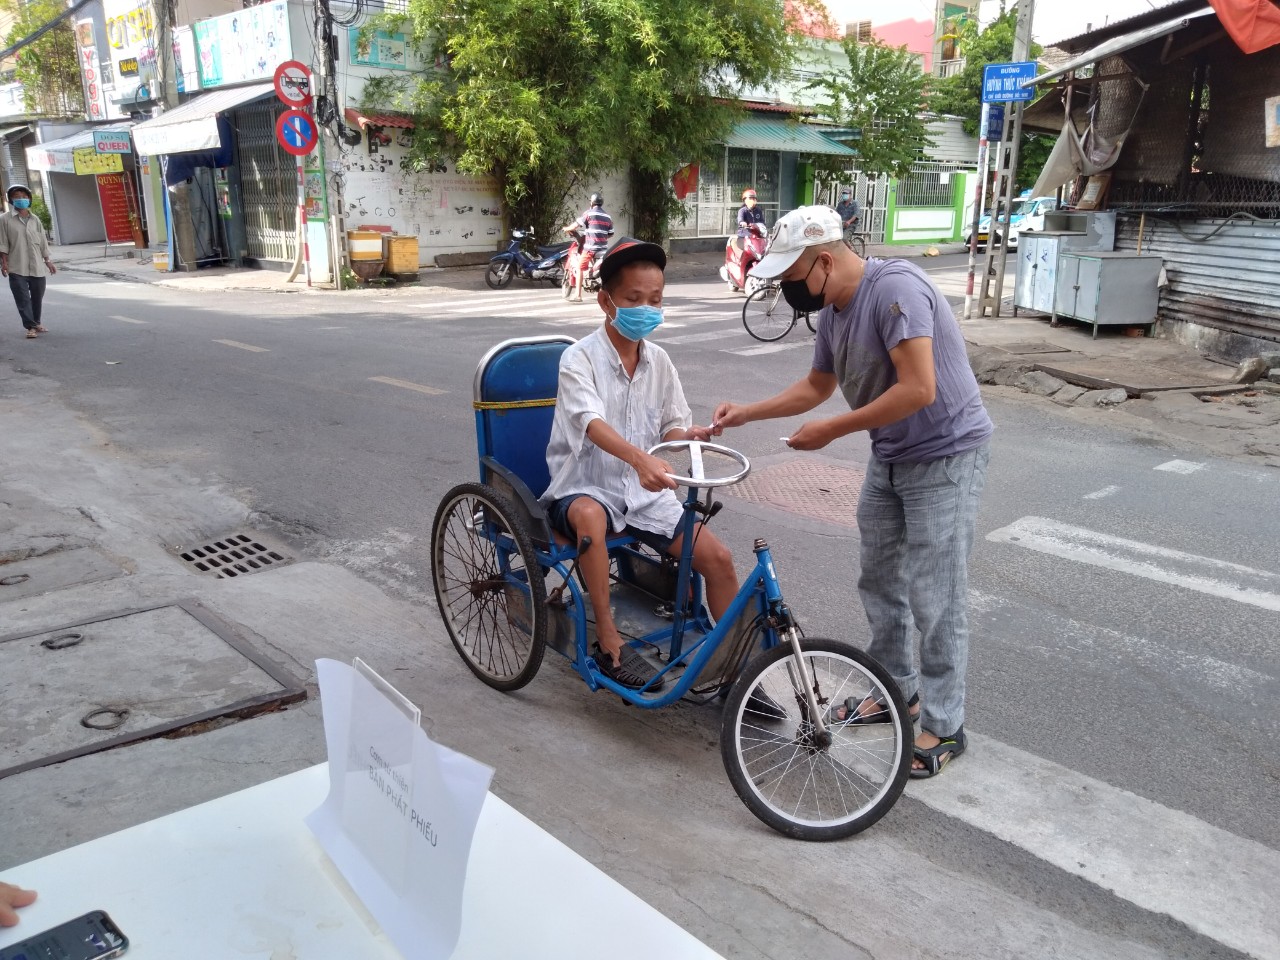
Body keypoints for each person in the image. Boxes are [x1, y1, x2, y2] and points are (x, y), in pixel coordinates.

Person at [712, 205, 992, 779]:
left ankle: (945, 722)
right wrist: (745, 413)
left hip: (945, 455)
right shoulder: (835, 312)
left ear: (823, 259)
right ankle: (897, 692)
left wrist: (833, 430)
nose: (791, 290)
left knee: (935, 594)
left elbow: (918, 388)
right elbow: (817, 385)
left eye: (793, 278)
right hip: (890, 457)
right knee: (880, 579)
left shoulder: (896, 291)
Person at [541, 237, 738, 690]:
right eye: (634, 299)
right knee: (589, 515)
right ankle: (607, 636)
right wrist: (639, 458)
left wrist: (693, 436)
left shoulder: (660, 362)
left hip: (643, 494)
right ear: (605, 301)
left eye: (655, 300)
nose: (646, 309)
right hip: (584, 486)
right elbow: (589, 422)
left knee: (719, 558)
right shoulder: (578, 359)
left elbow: (671, 428)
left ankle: (732, 669)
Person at [0, 184, 56, 340]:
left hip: (37, 265)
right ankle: (30, 327)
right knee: (23, 299)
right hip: (16, 266)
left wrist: (48, 261)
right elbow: (2, 243)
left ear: (29, 199)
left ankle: (36, 322)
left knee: (37, 296)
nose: (21, 199)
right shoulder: (4, 219)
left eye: (24, 197)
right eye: (17, 197)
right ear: (10, 199)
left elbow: (43, 241)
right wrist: (4, 263)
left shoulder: (35, 219)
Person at [561, 193, 613, 302]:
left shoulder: (589, 213)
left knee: (580, 267)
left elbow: (576, 225)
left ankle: (578, 296)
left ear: (592, 202)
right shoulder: (608, 217)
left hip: (590, 248)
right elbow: (611, 233)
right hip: (603, 249)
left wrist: (566, 229)